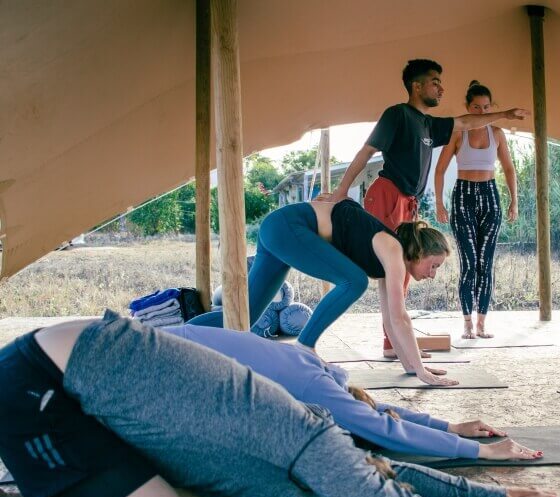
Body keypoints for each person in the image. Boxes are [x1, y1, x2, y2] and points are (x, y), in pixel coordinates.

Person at [0, 314, 560, 497]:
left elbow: (394, 480)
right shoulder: (317, 449)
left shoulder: (315, 462)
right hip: (44, 386)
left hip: (78, 380)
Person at [328, 59, 529, 354]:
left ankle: (393, 343)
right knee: (391, 271)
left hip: (409, 202)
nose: (441, 87)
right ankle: (394, 343)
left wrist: (506, 114)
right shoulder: (397, 115)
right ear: (417, 86)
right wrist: (341, 191)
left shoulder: (429, 124)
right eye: (435, 81)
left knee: (404, 272)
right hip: (387, 194)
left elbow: (465, 121)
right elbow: (366, 151)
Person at [165, 324, 543, 461]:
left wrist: (451, 426)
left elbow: (378, 410)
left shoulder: (315, 370)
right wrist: (482, 450)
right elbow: (384, 427)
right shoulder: (317, 385)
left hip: (167, 350)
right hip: (159, 356)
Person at [188, 198, 458, 386]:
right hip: (288, 227)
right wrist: (422, 370)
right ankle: (305, 346)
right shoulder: (394, 251)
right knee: (354, 281)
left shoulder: (390, 262)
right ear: (419, 252)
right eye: (433, 265)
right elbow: (401, 318)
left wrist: (410, 365)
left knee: (244, 316)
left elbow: (390, 320)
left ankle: (172, 336)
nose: (433, 274)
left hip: (279, 230)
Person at [434, 80, 518, 339]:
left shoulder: (498, 133)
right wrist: (439, 202)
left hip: (490, 196)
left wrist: (514, 200)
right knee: (469, 264)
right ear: (467, 107)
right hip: (463, 197)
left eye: (485, 107)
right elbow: (440, 169)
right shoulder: (458, 133)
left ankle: (482, 323)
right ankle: (467, 323)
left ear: (491, 107)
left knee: (486, 263)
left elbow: (509, 168)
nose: (481, 112)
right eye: (476, 107)